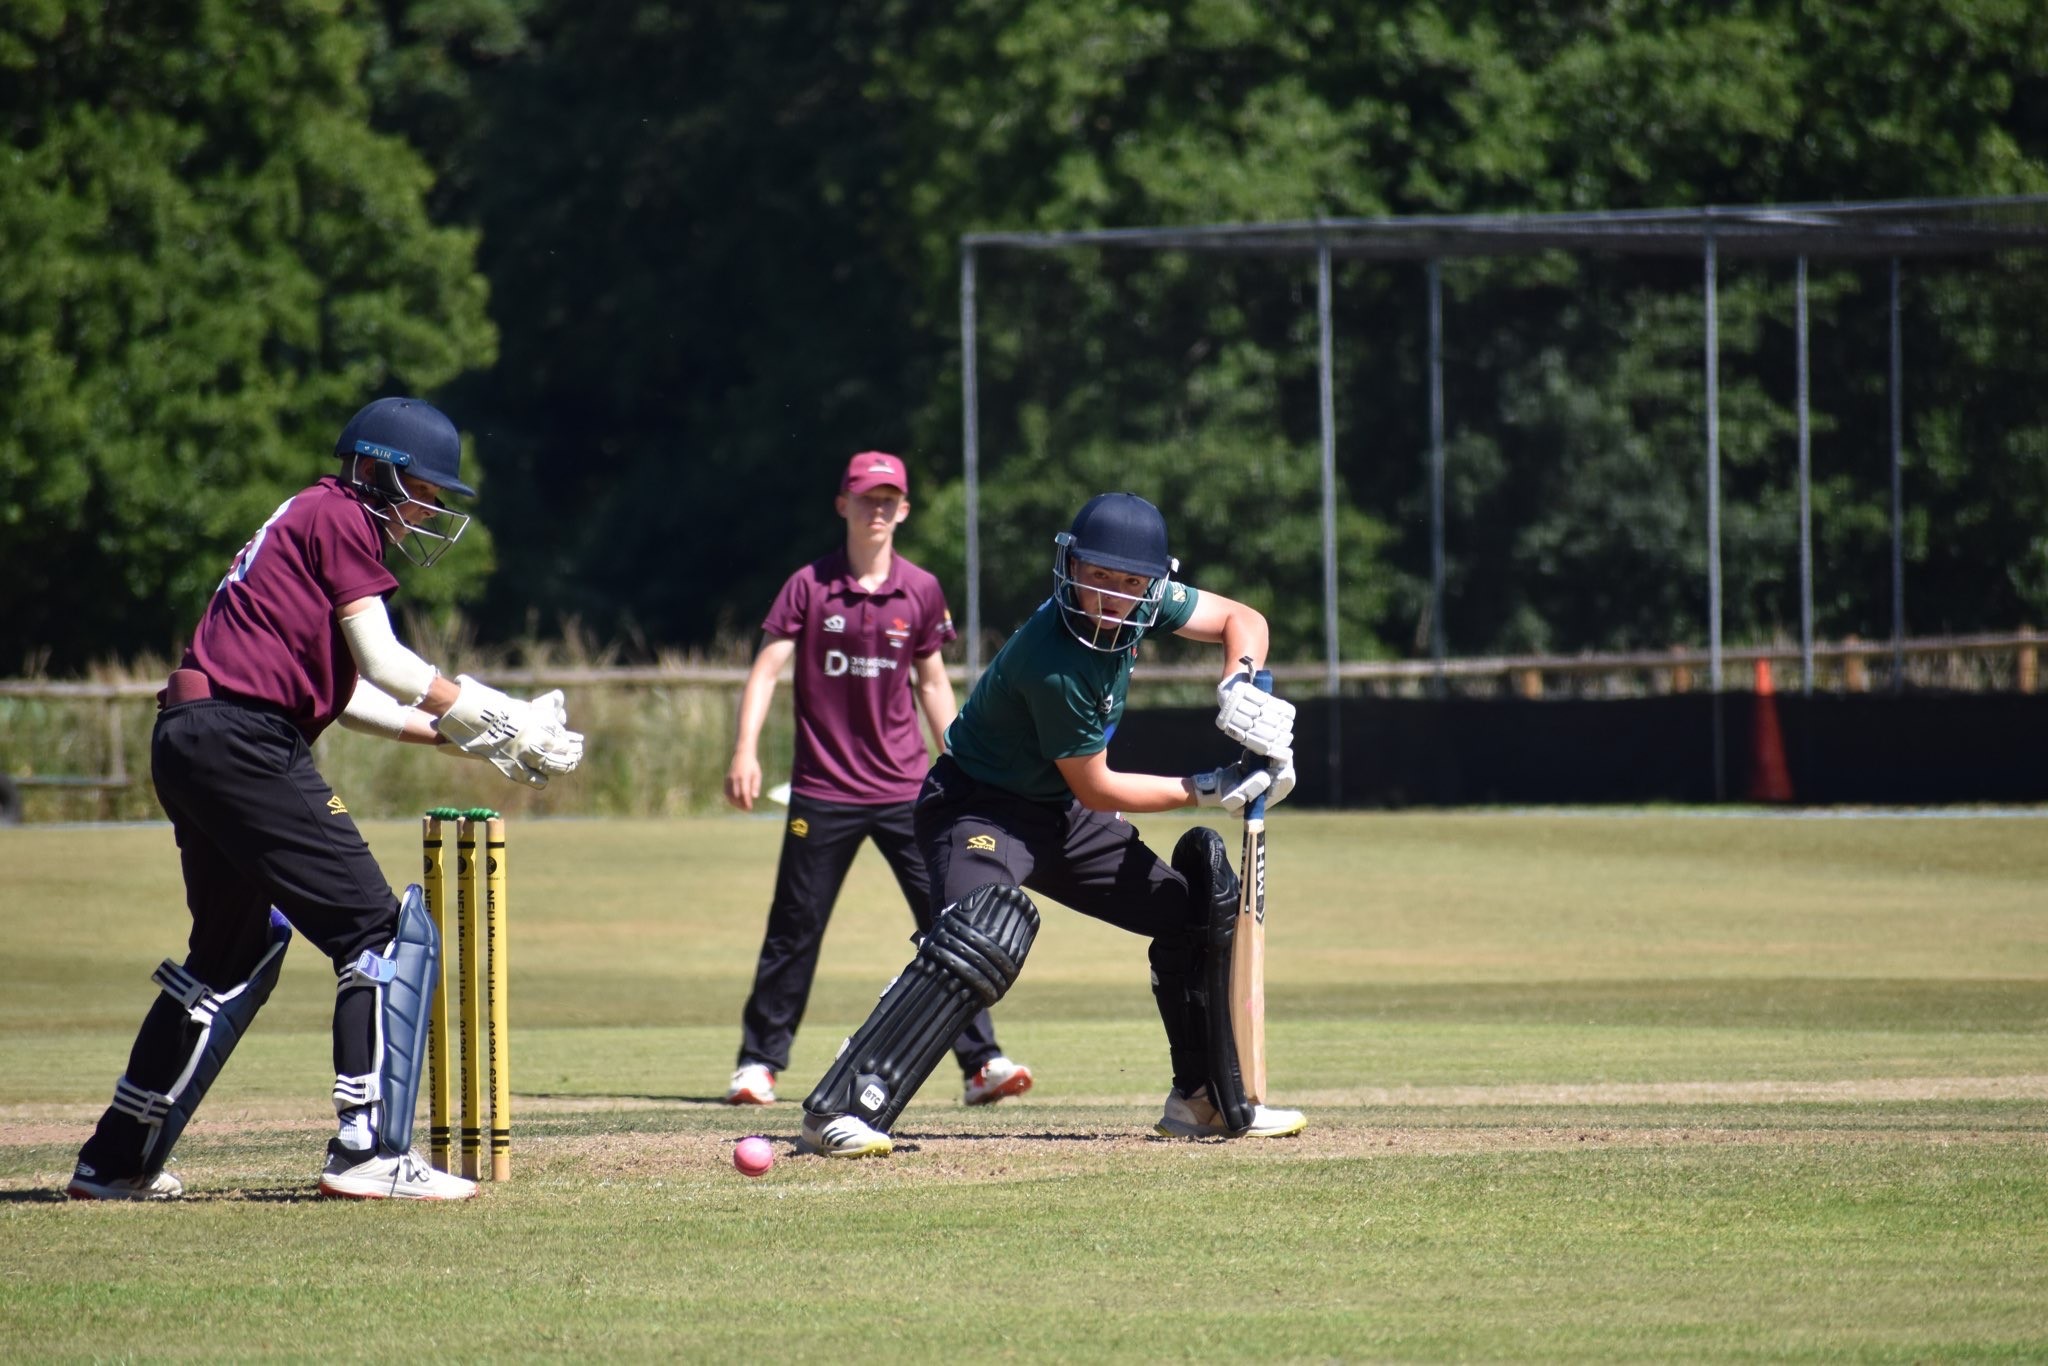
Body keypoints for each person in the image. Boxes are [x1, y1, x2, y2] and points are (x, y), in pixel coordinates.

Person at [66, 397, 584, 1202]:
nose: (433, 509)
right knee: (381, 932)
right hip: (242, 739)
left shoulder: (306, 518)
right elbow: (388, 662)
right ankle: (369, 1152)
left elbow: (346, 696)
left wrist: (457, 736)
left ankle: (113, 1161)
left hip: (194, 734)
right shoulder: (341, 519)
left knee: (234, 954)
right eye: (426, 490)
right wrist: (499, 711)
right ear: (380, 472)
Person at [796, 490, 1305, 1158]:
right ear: (1072, 567)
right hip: (978, 809)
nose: (1111, 598)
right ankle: (845, 1104)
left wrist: (1238, 682)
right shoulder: (1055, 659)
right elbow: (1098, 788)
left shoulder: (1140, 605)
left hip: (1057, 816)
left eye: (1129, 584)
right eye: (1097, 578)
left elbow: (1243, 618)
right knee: (984, 933)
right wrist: (1209, 787)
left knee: (1190, 914)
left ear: (1153, 585)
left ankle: (1202, 1099)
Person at [722, 451, 1033, 1108]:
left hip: (907, 791)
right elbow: (765, 671)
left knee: (953, 922)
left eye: (890, 499)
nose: (878, 509)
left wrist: (966, 764)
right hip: (823, 789)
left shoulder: (920, 590)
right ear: (843, 504)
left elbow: (932, 682)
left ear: (906, 510)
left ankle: (982, 1064)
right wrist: (745, 751)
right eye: (867, 497)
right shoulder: (808, 585)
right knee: (795, 927)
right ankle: (758, 1064)